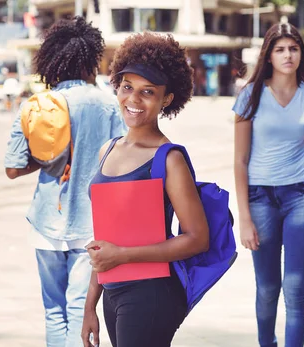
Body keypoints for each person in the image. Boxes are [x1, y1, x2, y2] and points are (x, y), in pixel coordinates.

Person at [80, 32, 209, 347]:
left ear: (167, 99)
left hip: (150, 292)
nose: (133, 100)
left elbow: (197, 238)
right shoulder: (107, 150)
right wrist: (89, 306)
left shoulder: (170, 159)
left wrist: (121, 255)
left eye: (147, 92)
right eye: (127, 87)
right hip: (112, 291)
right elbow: (105, 239)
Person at [4, 17, 126, 347]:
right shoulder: (109, 105)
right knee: (78, 309)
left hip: (45, 223)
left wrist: (49, 161)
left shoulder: (37, 105)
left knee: (53, 311)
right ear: (91, 58)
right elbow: (121, 162)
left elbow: (13, 168)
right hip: (91, 223)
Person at [233, 23, 304, 347]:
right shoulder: (250, 95)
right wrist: (244, 218)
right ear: (269, 55)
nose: (288, 55)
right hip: (260, 198)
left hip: (303, 195)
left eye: (293, 48)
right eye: (280, 49)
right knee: (267, 287)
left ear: (301, 53)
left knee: (295, 286)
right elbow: (240, 161)